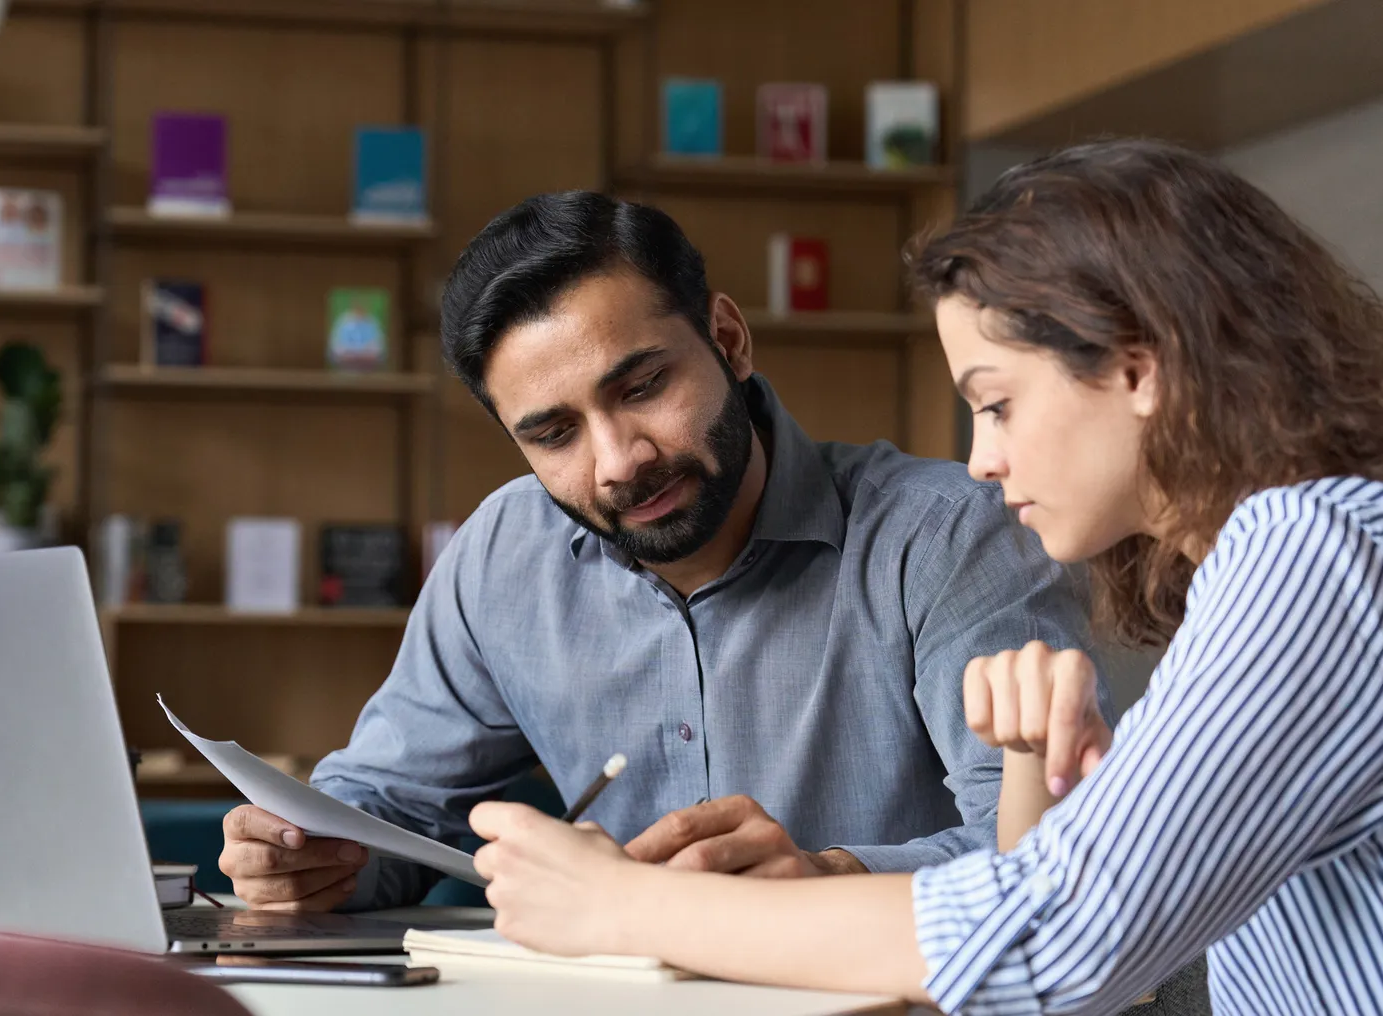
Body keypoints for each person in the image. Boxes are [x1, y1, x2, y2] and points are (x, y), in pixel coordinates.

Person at [468, 139, 1383, 1014]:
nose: (980, 459)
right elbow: (1054, 944)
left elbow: (1055, 942)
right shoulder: (1292, 556)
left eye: (996, 403)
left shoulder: (1312, 546)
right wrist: (1030, 767)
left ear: (1138, 369)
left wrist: (623, 906)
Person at [218, 191, 1103, 912]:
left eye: (642, 386)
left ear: (728, 339)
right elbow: (393, 809)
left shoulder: (948, 533)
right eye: (555, 433)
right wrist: (313, 858)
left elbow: (1055, 854)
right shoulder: (502, 554)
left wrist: (827, 878)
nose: (619, 461)